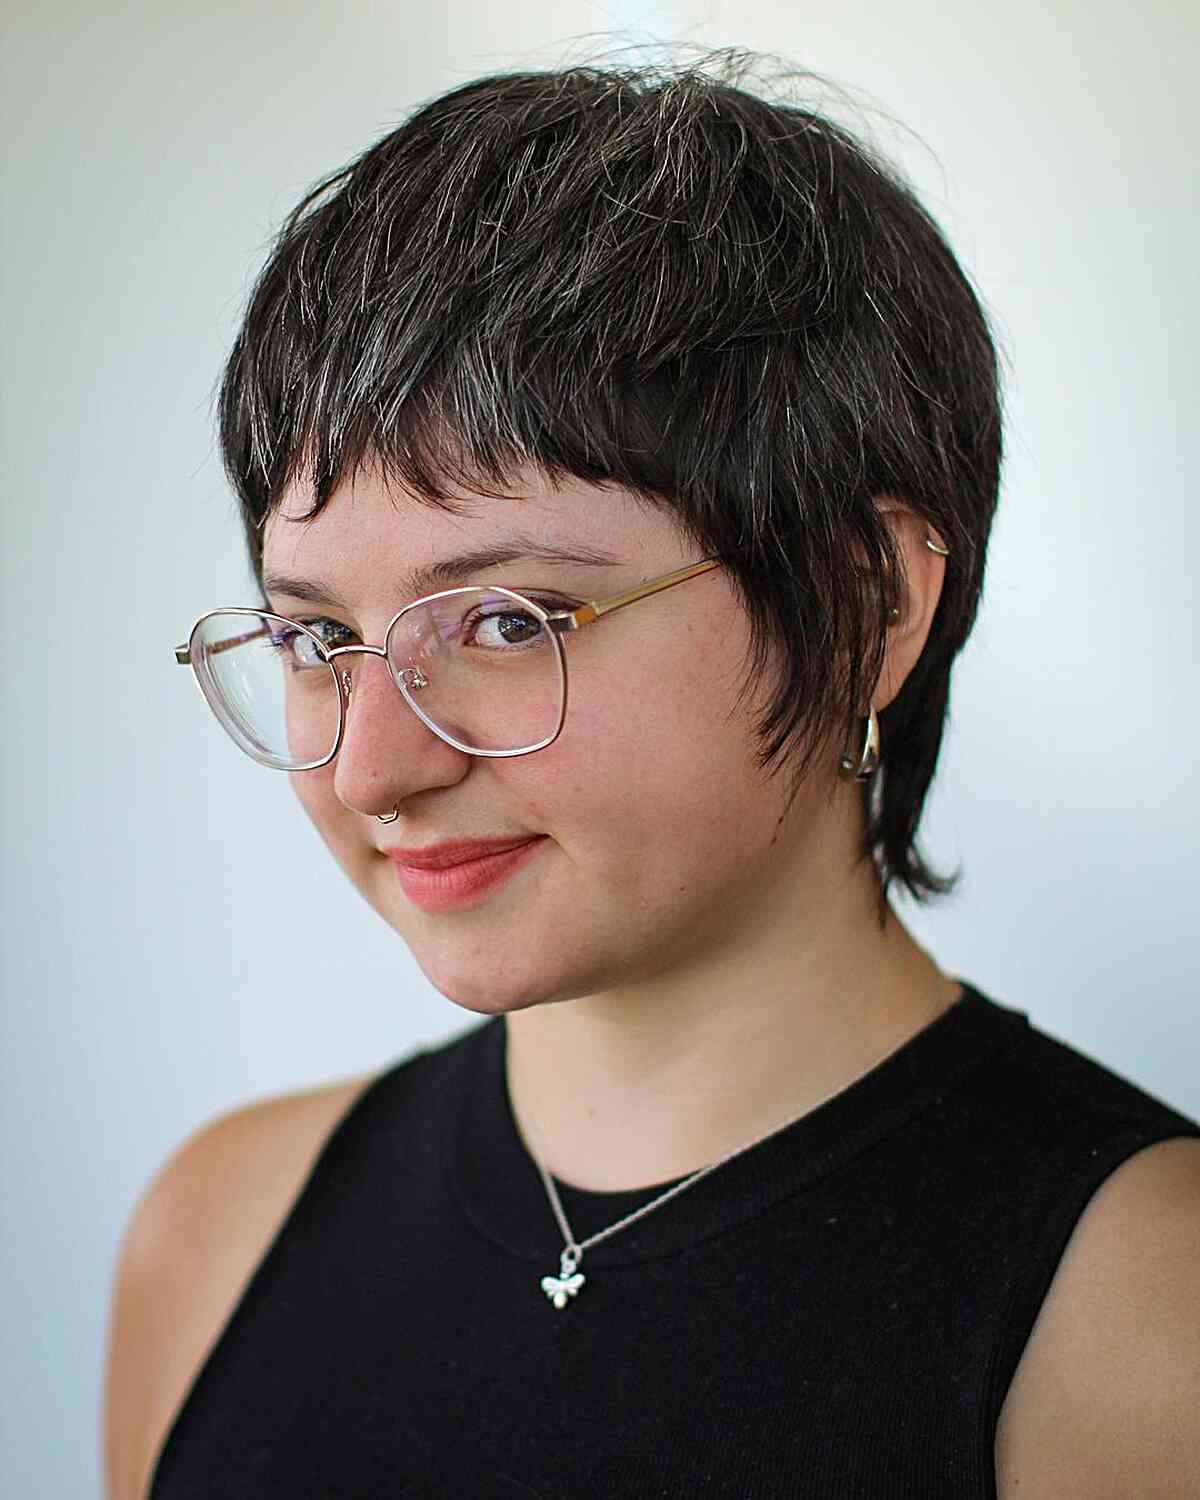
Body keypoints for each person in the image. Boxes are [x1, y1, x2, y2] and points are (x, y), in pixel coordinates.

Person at [105, 55, 1200, 1500]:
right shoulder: (216, 1232)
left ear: (865, 604)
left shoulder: (1146, 1321)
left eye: (507, 621)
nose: (374, 766)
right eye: (318, 639)